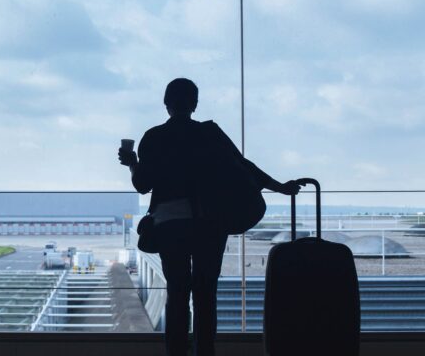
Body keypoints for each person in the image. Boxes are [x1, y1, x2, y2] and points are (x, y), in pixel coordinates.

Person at [118, 78, 300, 356]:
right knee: (205, 295)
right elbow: (244, 166)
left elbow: (143, 185)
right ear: (194, 104)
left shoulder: (154, 137)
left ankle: (176, 352)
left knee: (177, 294)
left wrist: (132, 163)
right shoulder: (210, 134)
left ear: (166, 103)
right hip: (209, 222)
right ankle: (205, 351)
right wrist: (280, 187)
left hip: (170, 224)